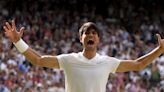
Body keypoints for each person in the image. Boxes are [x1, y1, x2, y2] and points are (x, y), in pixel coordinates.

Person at [3, 20, 164, 92]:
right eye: (86, 33)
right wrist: (18, 41)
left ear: (98, 39)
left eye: (94, 33)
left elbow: (138, 64)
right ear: (81, 39)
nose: (90, 35)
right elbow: (38, 60)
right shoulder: (69, 60)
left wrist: (159, 50)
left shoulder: (107, 62)